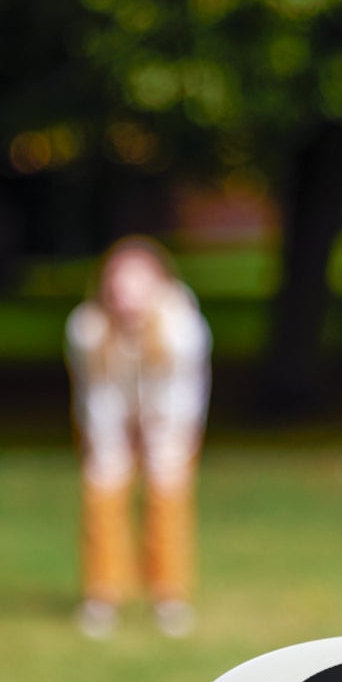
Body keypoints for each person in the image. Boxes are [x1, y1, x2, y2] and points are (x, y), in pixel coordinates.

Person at [65, 236, 212, 639]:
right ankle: (102, 595)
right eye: (118, 285)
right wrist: (112, 444)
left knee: (167, 496)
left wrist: (159, 438)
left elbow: (183, 395)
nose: (126, 296)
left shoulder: (182, 327)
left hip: (170, 421)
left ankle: (169, 596)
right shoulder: (87, 328)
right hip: (109, 420)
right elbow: (96, 395)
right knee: (102, 492)